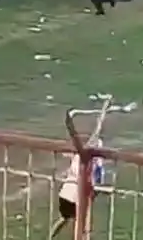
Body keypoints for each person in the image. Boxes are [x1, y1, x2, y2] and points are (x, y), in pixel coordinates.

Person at [51, 100, 110, 239]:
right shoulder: (95, 164)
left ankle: (50, 237)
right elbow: (94, 188)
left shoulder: (80, 154)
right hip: (76, 197)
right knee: (82, 225)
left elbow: (97, 129)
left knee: (64, 219)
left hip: (65, 194)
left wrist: (104, 108)